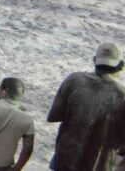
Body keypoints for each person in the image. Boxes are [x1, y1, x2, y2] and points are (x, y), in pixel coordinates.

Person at [47, 42, 125, 171]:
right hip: (99, 165)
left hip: (65, 159)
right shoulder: (122, 94)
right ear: (121, 66)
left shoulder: (74, 80)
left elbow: (54, 116)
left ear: (95, 60)